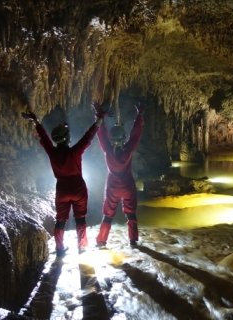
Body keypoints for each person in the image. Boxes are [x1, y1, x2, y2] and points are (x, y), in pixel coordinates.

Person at [21, 104, 110, 257]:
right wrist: (99, 119)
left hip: (62, 189)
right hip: (78, 188)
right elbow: (87, 137)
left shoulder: (52, 152)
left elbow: (44, 138)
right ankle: (82, 246)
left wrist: (35, 121)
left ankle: (60, 249)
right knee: (80, 218)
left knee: (60, 220)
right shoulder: (75, 152)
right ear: (67, 139)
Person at [94, 101, 146, 248]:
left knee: (108, 215)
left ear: (111, 139)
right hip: (128, 185)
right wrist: (139, 115)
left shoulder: (108, 150)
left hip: (112, 186)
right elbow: (135, 135)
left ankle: (101, 241)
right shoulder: (128, 149)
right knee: (131, 214)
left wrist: (99, 114)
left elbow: (101, 134)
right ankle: (133, 240)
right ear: (123, 138)